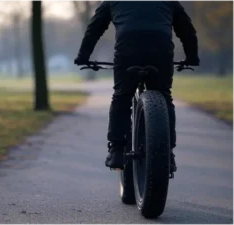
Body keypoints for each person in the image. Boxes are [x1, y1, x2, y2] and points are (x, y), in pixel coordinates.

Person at [74, 0, 200, 172]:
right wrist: (192, 57)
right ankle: (168, 154)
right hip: (160, 49)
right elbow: (187, 30)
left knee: (122, 96)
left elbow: (94, 28)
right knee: (164, 95)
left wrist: (83, 56)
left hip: (128, 48)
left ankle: (117, 150)